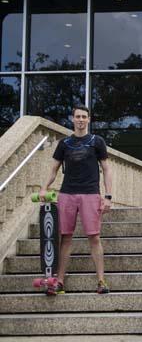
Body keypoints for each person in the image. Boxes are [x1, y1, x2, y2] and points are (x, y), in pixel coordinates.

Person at [39, 105, 113, 294]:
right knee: (65, 237)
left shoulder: (97, 141)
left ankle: (101, 281)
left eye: (84, 117)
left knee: (94, 237)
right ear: (72, 119)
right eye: (77, 116)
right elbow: (54, 170)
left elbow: (106, 169)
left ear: (89, 120)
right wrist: (44, 188)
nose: (81, 119)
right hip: (67, 194)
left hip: (90, 194)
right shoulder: (64, 143)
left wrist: (108, 196)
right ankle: (59, 282)